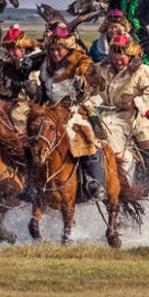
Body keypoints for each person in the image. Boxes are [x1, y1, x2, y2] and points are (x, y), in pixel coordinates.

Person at [35, 25, 106, 200]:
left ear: (67, 48)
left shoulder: (82, 62)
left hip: (80, 110)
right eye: (52, 49)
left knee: (90, 137)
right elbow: (45, 88)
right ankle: (31, 183)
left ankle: (94, 181)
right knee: (33, 138)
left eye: (59, 50)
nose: (55, 53)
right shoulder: (46, 64)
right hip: (51, 111)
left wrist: (83, 88)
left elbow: (100, 84)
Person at [88, 34, 149, 179]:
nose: (118, 62)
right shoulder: (102, 69)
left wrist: (136, 102)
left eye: (122, 59)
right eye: (115, 59)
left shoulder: (142, 70)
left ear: (131, 57)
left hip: (134, 117)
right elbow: (88, 81)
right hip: (105, 114)